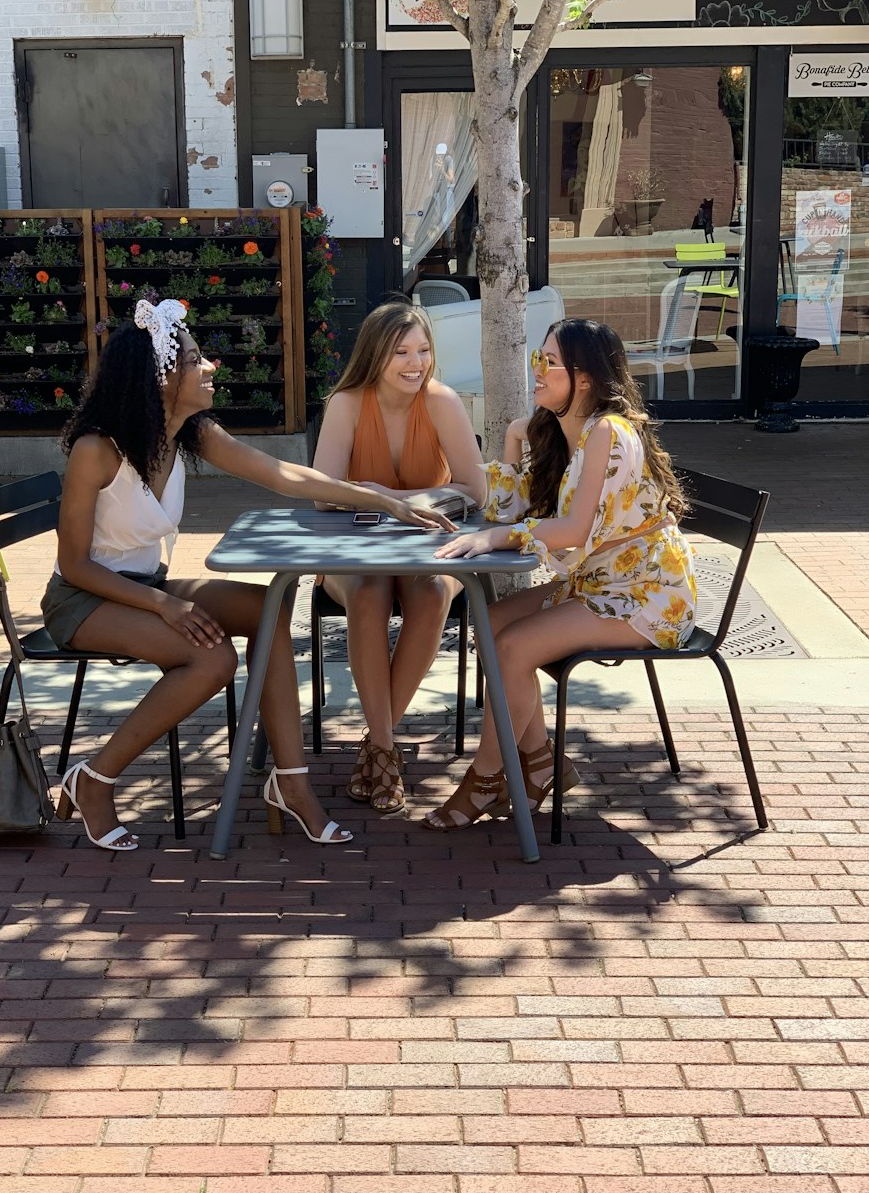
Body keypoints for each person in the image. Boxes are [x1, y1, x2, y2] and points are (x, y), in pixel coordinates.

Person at [42, 298, 452, 853]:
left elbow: (287, 476)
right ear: (161, 375)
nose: (211, 367)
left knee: (270, 607)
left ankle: (292, 784)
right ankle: (95, 779)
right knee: (214, 657)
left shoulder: (189, 433)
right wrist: (165, 606)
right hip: (84, 599)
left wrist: (384, 500)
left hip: (147, 588)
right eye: (195, 359)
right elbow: (74, 565)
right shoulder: (97, 450)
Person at [423, 317, 697, 831]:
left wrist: (500, 538)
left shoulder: (609, 434)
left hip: (645, 594)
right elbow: (504, 513)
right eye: (537, 358)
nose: (538, 370)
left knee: (512, 646)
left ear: (585, 379)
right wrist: (512, 437)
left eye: (549, 362)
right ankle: (542, 762)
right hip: (600, 584)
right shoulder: (567, 432)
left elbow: (570, 530)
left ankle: (486, 778)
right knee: (492, 624)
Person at [311, 300, 485, 816]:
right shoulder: (345, 403)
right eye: (401, 351)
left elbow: (475, 488)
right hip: (355, 551)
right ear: (374, 355)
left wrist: (405, 499)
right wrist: (385, 497)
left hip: (431, 548)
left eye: (424, 350)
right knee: (368, 594)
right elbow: (323, 494)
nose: (416, 362)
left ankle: (377, 746)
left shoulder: (442, 401)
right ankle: (386, 748)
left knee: (431, 595)